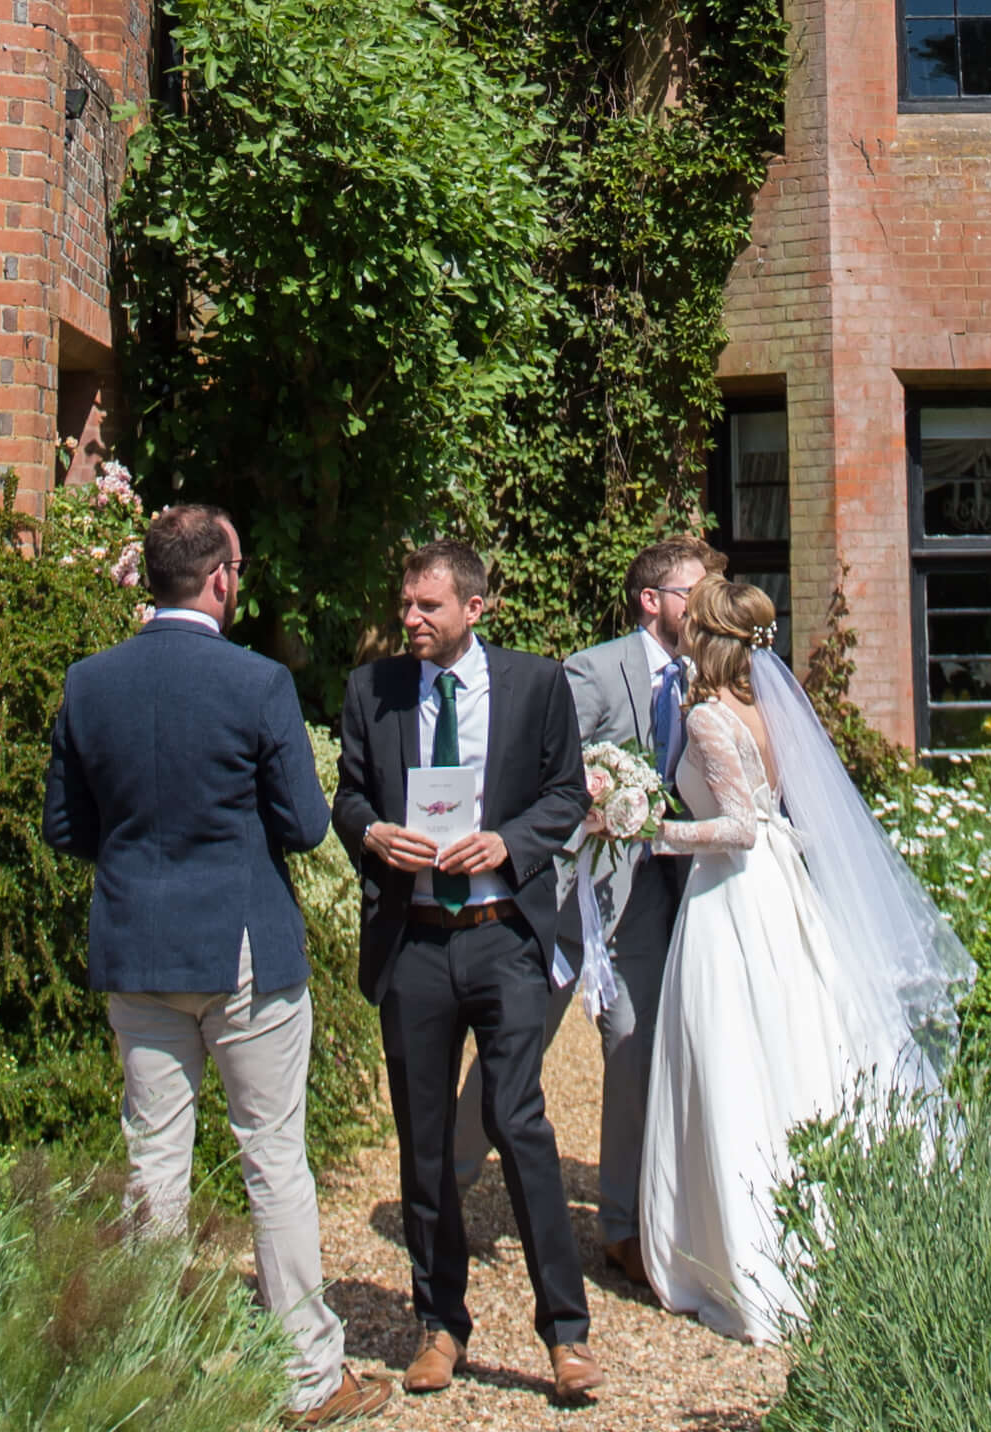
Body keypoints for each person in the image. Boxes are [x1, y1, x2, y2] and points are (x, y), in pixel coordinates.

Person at [42, 503, 391, 1424]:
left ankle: (147, 1360)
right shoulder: (257, 684)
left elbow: (65, 826)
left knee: (154, 1158)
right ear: (221, 579)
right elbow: (309, 826)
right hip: (241, 952)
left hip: (135, 949)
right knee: (272, 1159)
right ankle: (308, 1379)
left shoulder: (89, 682)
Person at [631, 578, 971, 1346]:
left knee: (732, 1053)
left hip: (736, 896)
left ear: (706, 638)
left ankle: (746, 1248)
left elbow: (740, 828)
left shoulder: (715, 718)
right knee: (796, 1041)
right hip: (780, 889)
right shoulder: (767, 706)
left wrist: (651, 830)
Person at [335, 540, 598, 1405]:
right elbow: (350, 795)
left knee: (517, 1121)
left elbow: (566, 792)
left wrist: (510, 842)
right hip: (412, 940)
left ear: (474, 609)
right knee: (423, 1140)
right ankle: (439, 1323)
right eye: (407, 605)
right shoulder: (372, 690)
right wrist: (372, 833)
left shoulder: (535, 685)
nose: (411, 620)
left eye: (429, 608)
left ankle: (565, 1331)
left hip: (502, 936)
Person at [562, 533, 712, 1297]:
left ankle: (644, 1219)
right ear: (652, 602)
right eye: (694, 591)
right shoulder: (594, 671)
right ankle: (447, 1198)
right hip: (596, 892)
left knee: (658, 1048)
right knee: (541, 1044)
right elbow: (546, 763)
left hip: (683, 892)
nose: (707, 603)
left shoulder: (711, 674)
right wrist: (592, 806)